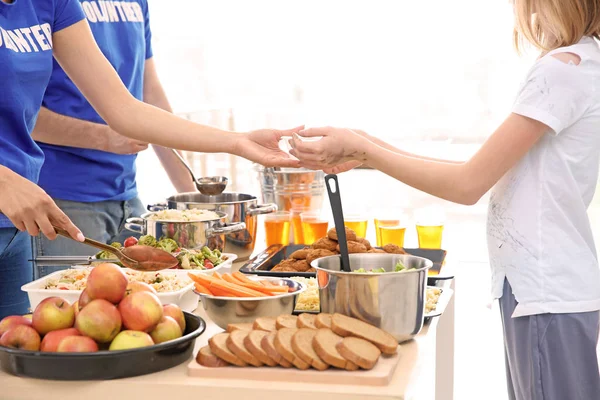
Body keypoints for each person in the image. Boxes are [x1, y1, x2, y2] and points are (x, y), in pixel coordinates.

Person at [290, 1, 600, 399]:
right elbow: (483, 169)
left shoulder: (563, 69)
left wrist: (367, 153)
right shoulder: (582, 64)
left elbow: (468, 184)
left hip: (546, 292)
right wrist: (365, 146)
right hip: (546, 289)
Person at [0, 0, 299, 319]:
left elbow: (125, 109)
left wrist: (237, 141)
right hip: (21, 197)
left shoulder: (50, 4)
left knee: (16, 361)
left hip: (16, 226)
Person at [31, 0, 197, 278]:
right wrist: (104, 138)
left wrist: (190, 199)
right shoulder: (44, 5)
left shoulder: (136, 2)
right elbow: (21, 113)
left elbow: (150, 94)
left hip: (128, 198)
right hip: (63, 198)